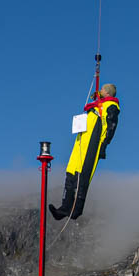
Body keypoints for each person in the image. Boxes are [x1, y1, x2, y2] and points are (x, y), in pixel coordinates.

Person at [49, 83, 119, 221]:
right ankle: (64, 207)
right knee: (71, 171)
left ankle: (76, 209)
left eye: (102, 89)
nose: (100, 90)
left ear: (107, 93)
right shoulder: (97, 105)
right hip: (81, 142)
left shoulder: (110, 106)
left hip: (92, 144)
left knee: (82, 175)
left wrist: (103, 146)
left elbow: (111, 127)